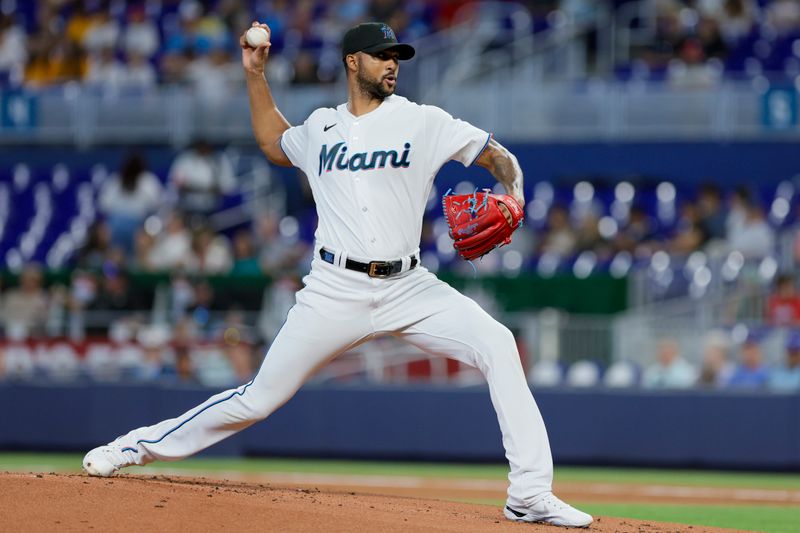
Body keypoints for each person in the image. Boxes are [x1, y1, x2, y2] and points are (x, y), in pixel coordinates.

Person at [82, 22, 592, 528]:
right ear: (353, 62)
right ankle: (133, 446)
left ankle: (529, 493)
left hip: (409, 286)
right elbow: (273, 143)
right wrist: (255, 74)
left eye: (396, 56)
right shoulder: (321, 126)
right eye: (380, 54)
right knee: (257, 399)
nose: (392, 63)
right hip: (334, 290)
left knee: (498, 343)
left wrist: (513, 191)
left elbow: (495, 156)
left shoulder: (423, 121)